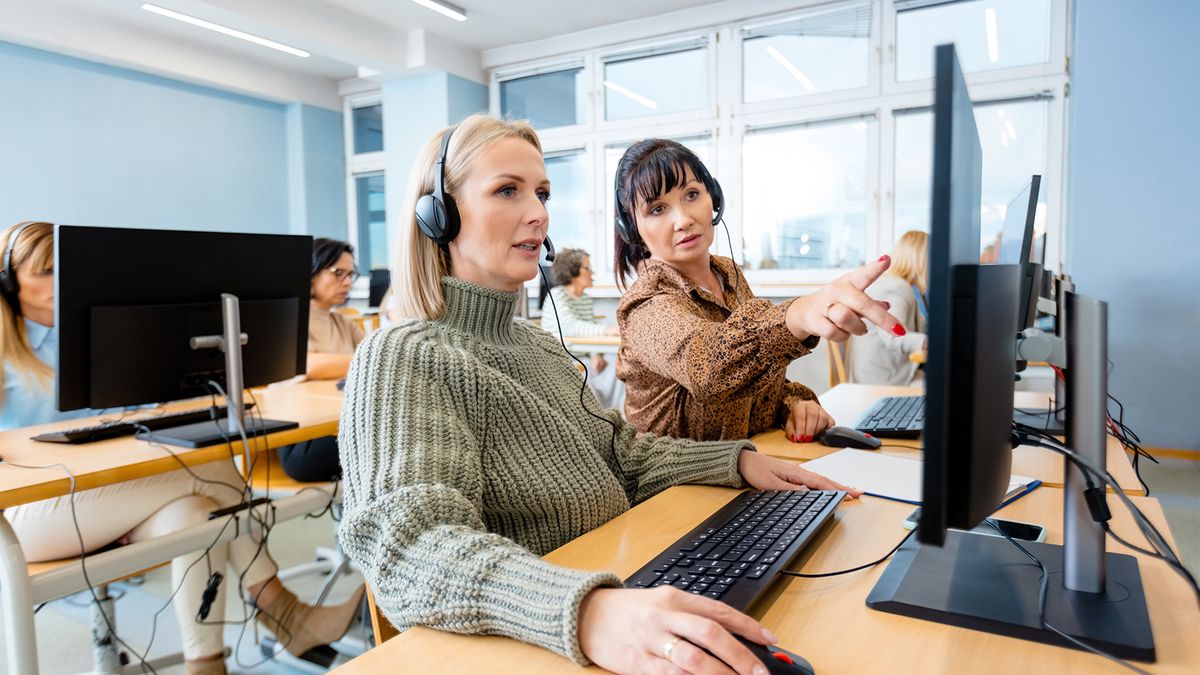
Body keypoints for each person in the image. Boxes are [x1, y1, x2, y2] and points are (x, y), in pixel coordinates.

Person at [337, 114, 861, 675]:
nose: (538, 213)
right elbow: (411, 548)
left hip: (612, 585)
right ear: (438, 215)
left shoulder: (536, 347)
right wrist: (587, 612)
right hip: (539, 634)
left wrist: (739, 462)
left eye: (541, 192)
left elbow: (622, 455)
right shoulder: (404, 354)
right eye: (507, 191)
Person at [0, 221, 363, 675]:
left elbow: (134, 412)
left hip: (110, 494)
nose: (62, 284)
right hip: (26, 513)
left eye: (67, 271)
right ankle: (282, 611)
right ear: (9, 280)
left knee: (200, 515)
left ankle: (206, 663)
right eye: (47, 272)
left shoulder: (94, 333)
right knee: (211, 472)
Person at [613, 139, 906, 444]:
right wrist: (796, 314)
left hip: (746, 470)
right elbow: (710, 369)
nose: (683, 219)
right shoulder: (644, 306)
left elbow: (753, 380)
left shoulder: (728, 275)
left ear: (713, 199)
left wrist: (793, 405)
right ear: (632, 228)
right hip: (678, 488)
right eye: (657, 209)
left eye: (691, 194)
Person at [276, 237, 363, 481]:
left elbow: (377, 360)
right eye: (338, 273)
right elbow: (308, 365)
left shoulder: (343, 323)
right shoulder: (289, 319)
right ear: (311, 273)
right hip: (302, 443)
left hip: (338, 427)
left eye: (350, 275)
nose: (347, 282)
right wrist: (361, 360)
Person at [540, 247, 624, 410]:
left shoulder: (585, 299)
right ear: (572, 272)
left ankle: (616, 416)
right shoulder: (557, 295)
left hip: (584, 357)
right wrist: (606, 331)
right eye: (587, 268)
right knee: (587, 380)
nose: (592, 272)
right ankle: (600, 418)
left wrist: (596, 354)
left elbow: (590, 326)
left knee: (621, 366)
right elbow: (571, 327)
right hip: (564, 361)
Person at [849, 230, 929, 385]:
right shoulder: (895, 288)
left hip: (888, 371)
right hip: (882, 379)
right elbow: (894, 336)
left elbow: (922, 325)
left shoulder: (898, 284)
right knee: (942, 389)